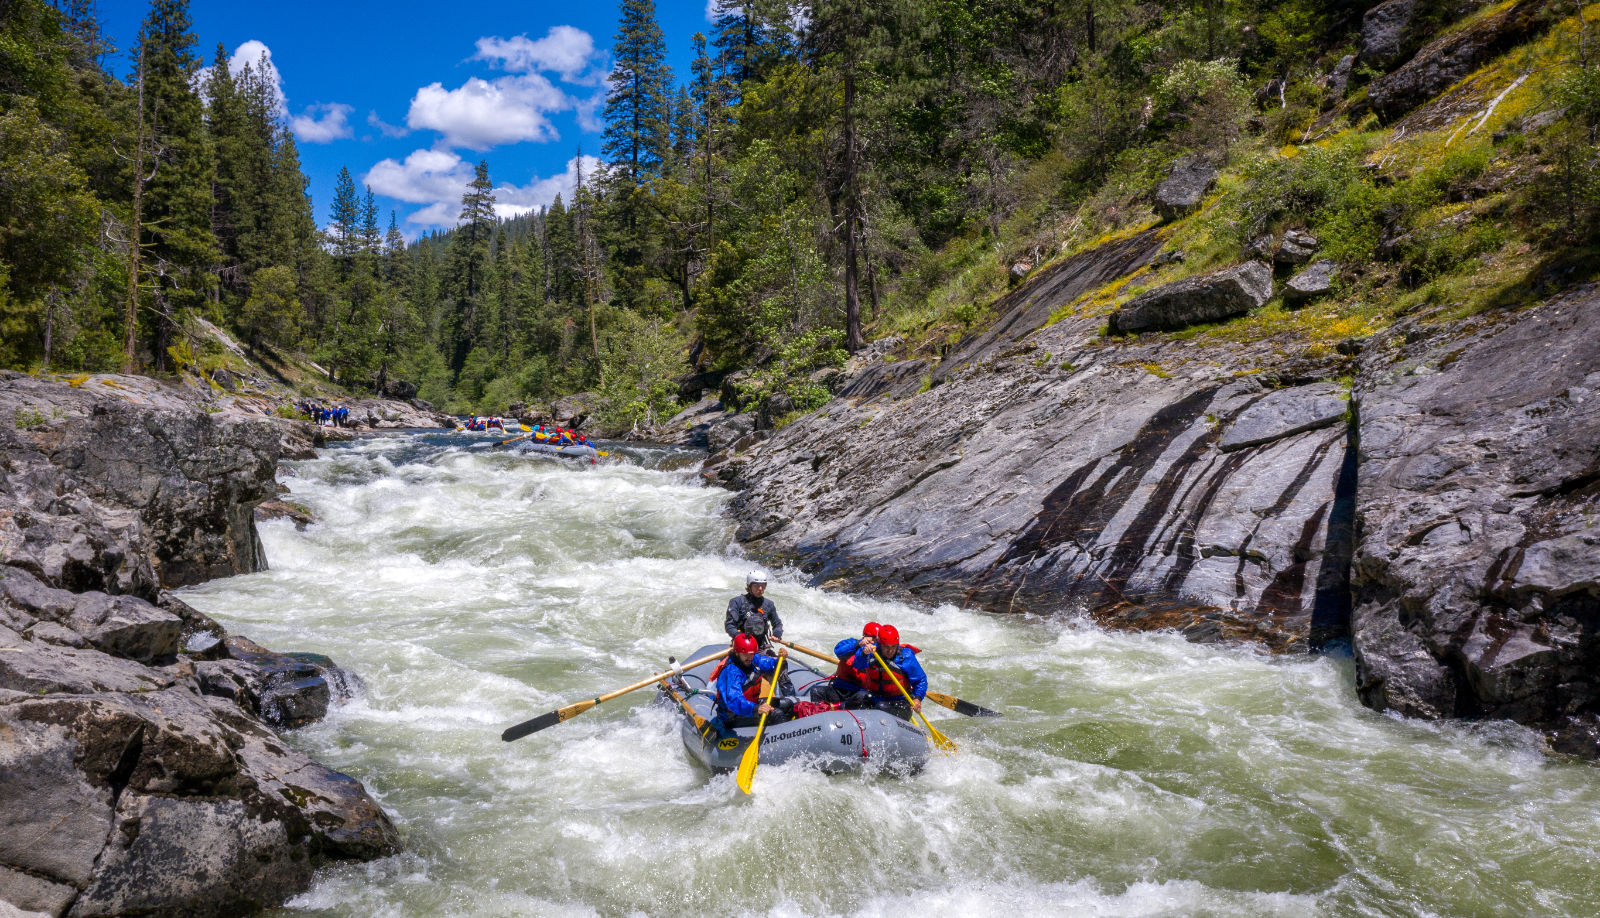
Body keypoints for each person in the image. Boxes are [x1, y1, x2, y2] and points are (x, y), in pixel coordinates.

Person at [834, 624, 927, 721]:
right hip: (875, 698)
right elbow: (858, 664)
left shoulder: (906, 656)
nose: (890, 651)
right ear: (879, 644)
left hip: (900, 702)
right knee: (848, 704)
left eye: (893, 647)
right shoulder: (871, 651)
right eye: (886, 647)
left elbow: (920, 680)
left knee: (881, 707)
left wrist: (917, 698)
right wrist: (863, 654)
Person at [714, 634, 793, 728]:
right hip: (732, 716)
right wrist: (756, 708)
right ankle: (783, 737)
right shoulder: (732, 672)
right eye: (745, 655)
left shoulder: (753, 659)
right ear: (737, 653)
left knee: (787, 704)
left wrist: (781, 660)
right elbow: (734, 701)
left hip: (751, 705)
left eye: (751, 654)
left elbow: (771, 664)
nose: (749, 658)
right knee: (776, 714)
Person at [725, 570, 783, 651]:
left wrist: (777, 634)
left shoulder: (769, 604)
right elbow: (729, 625)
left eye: (763, 585)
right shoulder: (736, 602)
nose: (760, 589)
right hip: (742, 646)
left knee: (782, 663)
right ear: (749, 586)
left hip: (761, 646)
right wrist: (739, 637)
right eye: (756, 585)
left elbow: (777, 624)